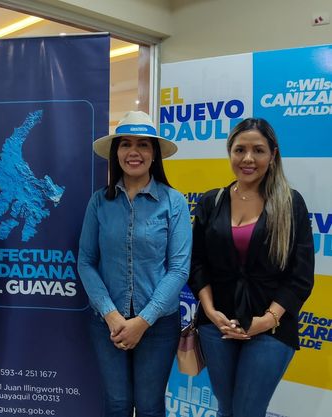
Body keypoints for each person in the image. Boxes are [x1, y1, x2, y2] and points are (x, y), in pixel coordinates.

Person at [189, 118, 314, 417]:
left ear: (273, 154)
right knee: (226, 409)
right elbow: (197, 262)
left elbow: (300, 276)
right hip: (216, 325)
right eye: (239, 150)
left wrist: (267, 320)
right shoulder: (211, 201)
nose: (248, 158)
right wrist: (210, 312)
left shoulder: (290, 203)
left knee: (248, 411)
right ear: (230, 152)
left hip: (271, 326)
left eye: (258, 150)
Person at [78, 111, 192, 417]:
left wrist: (144, 320)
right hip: (107, 323)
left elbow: (179, 268)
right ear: (116, 153)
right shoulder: (99, 202)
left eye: (143, 144)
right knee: (116, 403)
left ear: (154, 154)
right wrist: (111, 314)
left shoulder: (174, 202)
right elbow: (86, 261)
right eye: (126, 144)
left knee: (149, 406)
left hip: (158, 325)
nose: (134, 152)